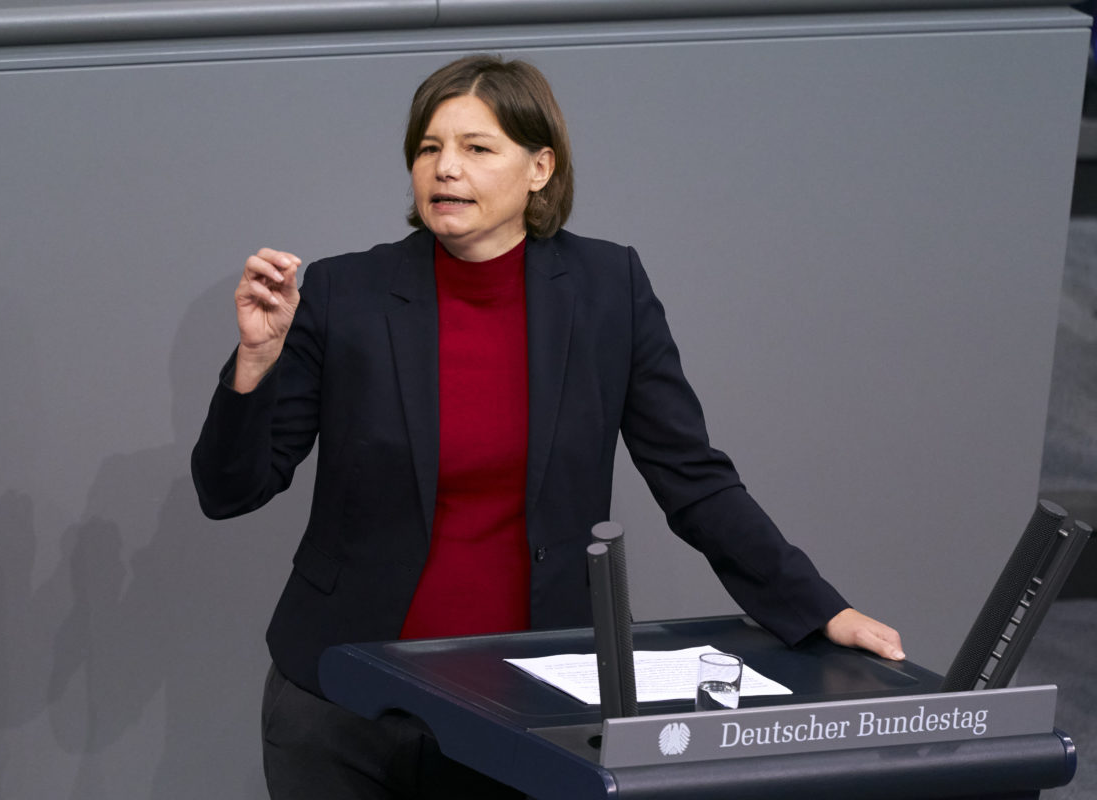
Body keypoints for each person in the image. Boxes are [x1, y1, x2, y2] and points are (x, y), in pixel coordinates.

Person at [192, 54, 904, 800]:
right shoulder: (344, 293)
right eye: (429, 148)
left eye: (477, 147)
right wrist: (255, 361)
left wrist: (816, 608)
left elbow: (694, 480)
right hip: (344, 702)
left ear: (540, 167)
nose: (445, 168)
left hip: (529, 708)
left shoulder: (608, 290)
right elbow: (230, 489)